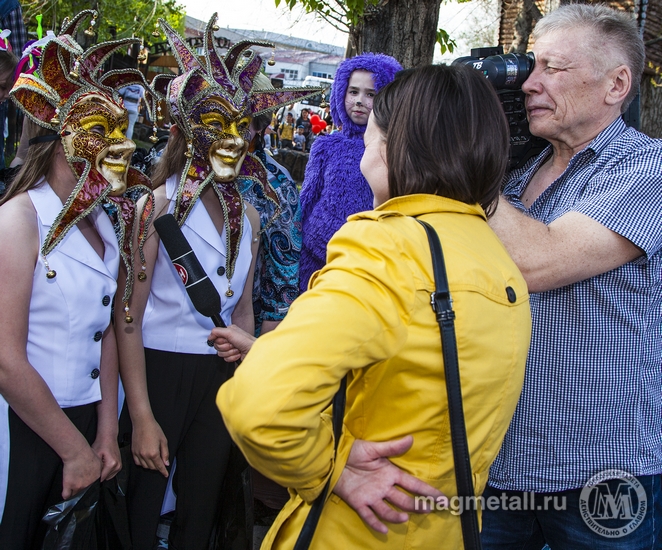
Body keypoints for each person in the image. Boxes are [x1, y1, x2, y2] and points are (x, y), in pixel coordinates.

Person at [213, 63, 531, 549]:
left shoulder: (387, 249)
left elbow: (260, 408)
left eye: (374, 127)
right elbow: (407, 379)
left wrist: (332, 471)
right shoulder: (498, 259)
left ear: (391, 145)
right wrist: (267, 350)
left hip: (356, 530)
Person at [116, 16, 318, 549]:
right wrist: (139, 415)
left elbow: (244, 313)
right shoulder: (154, 208)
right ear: (189, 129)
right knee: (140, 510)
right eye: (216, 121)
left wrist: (245, 385)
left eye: (241, 123)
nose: (232, 137)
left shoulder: (248, 216)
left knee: (201, 510)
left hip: (219, 379)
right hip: (157, 373)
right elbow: (128, 318)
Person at [477, 5, 662, 549]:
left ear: (616, 84)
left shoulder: (645, 167)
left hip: (601, 472)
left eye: (551, 69)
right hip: (494, 461)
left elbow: (540, 262)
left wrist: (464, 164)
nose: (529, 84)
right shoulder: (515, 174)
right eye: (529, 67)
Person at [0, 13, 151, 548]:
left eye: (121, 131)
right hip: (31, 431)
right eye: (100, 131)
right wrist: (73, 450)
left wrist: (107, 432)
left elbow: (106, 331)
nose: (122, 145)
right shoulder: (21, 217)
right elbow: (5, 359)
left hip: (89, 425)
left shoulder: (105, 223)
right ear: (61, 135)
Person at [298, 53, 402, 292]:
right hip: (315, 253)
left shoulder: (394, 150)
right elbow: (308, 196)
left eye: (371, 94)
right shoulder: (326, 145)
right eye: (353, 91)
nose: (359, 101)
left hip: (367, 258)